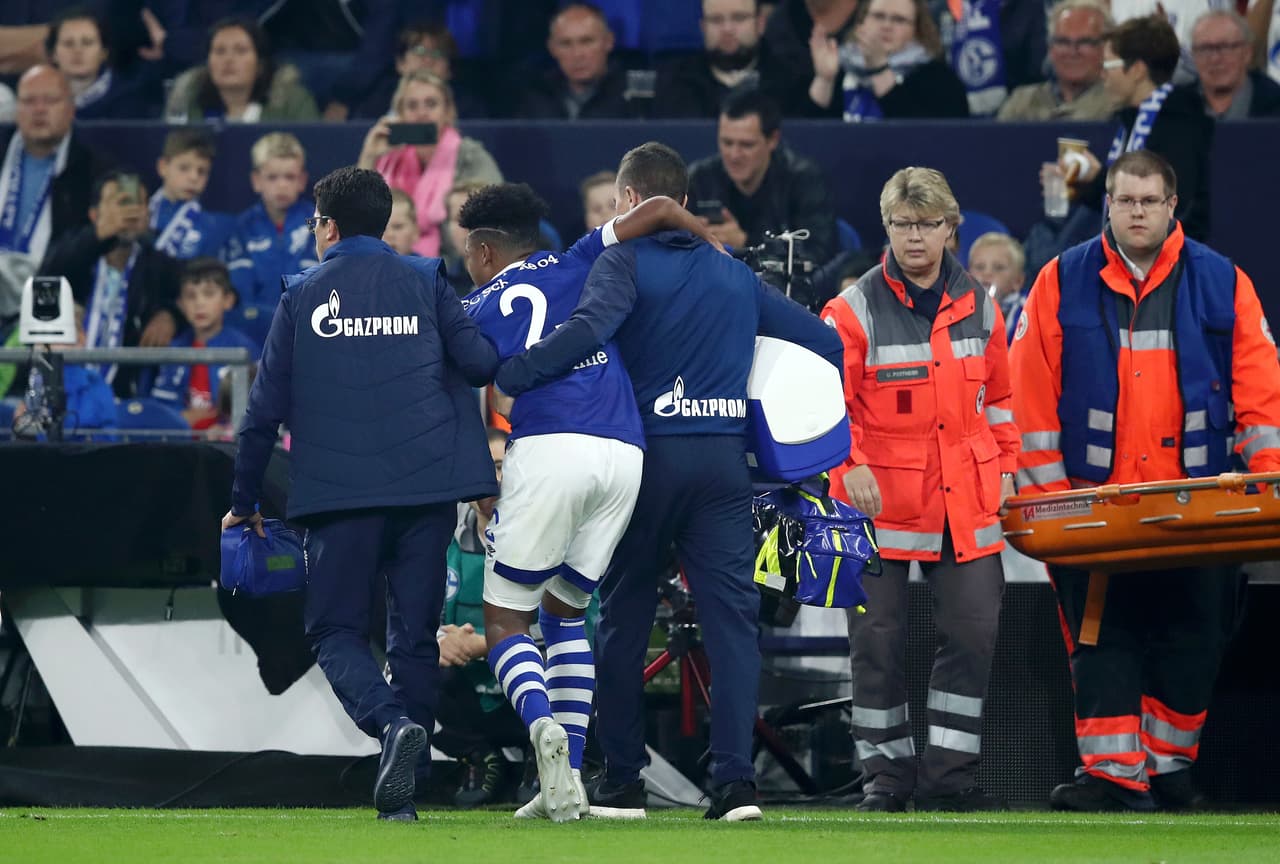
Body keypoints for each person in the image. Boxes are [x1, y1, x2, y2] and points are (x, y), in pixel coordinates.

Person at [496, 142, 843, 822]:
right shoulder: (734, 273)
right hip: (721, 465)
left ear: (630, 202)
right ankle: (737, 784)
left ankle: (624, 778)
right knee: (733, 627)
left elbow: (589, 328)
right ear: (681, 204)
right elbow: (825, 344)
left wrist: (516, 373)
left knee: (622, 621)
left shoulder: (619, 259)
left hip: (644, 461)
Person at [222, 165, 500, 822]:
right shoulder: (429, 280)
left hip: (339, 496)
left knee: (335, 630)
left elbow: (260, 415)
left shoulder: (300, 295)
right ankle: (408, 772)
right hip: (429, 488)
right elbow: (483, 364)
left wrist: (244, 499)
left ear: (329, 226)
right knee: (414, 635)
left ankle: (389, 728)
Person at [1009, 150, 1280, 812]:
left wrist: (1269, 483)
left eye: (1148, 201)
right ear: (1107, 205)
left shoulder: (1222, 283)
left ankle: (1167, 768)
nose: (1136, 212)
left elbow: (1260, 389)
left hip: (1197, 510)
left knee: (1193, 639)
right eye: (1125, 200)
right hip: (1095, 508)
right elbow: (1030, 392)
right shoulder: (1062, 280)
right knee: (1103, 640)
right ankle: (1111, 775)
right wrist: (1051, 506)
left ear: (1171, 207)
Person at [460, 180, 725, 822]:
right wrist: (713, 247)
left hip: (552, 448)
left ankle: (542, 726)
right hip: (625, 453)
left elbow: (471, 387)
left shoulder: (471, 308)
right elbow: (660, 209)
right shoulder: (580, 256)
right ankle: (569, 784)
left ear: (488, 252)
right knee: (566, 611)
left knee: (505, 620)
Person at [820, 166, 1018, 813]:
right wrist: (846, 466)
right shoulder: (851, 309)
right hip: (874, 504)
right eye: (903, 224)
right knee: (874, 644)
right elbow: (826, 405)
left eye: (927, 224)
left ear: (950, 229)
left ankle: (949, 779)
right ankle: (887, 778)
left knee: (972, 637)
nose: (915, 237)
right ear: (888, 229)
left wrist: (1008, 465)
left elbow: (1004, 399)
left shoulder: (982, 305)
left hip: (965, 501)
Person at [1060, 15, 1213, 241]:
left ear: (1137, 71)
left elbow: (1164, 200)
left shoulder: (1178, 123)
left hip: (1169, 263)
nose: (1103, 75)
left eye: (1108, 65)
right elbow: (1124, 203)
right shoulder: (1133, 119)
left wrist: (1102, 176)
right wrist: (1085, 182)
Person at [39, 169, 182, 397]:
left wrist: (170, 315)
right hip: (62, 392)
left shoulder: (160, 267)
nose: (132, 212)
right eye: (122, 202)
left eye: (139, 203)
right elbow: (47, 276)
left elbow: (193, 294)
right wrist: (99, 235)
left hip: (125, 400)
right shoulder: (73, 257)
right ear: (95, 215)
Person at [0, 64, 112, 320]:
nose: (39, 110)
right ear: (16, 109)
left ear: (71, 109)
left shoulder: (95, 171)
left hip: (56, 291)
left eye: (50, 100)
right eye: (29, 101)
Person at [357, 70, 503, 258]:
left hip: (455, 265)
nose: (422, 113)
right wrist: (369, 156)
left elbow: (495, 217)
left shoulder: (469, 156)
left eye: (431, 104)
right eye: (412, 106)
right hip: (385, 261)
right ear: (400, 113)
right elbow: (357, 216)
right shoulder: (388, 156)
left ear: (448, 112)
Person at [686, 89, 838, 267]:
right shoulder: (700, 179)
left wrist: (746, 244)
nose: (734, 155)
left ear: (772, 140)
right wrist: (691, 235)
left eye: (746, 145)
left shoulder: (803, 179)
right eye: (727, 143)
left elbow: (818, 253)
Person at [224, 132, 317, 350]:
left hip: (307, 336)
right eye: (273, 177)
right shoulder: (241, 228)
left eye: (290, 177)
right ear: (257, 181)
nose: (282, 186)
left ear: (302, 180)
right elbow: (240, 295)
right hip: (253, 339)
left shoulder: (319, 226)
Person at [805, 0, 970, 120]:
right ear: (861, 22)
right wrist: (824, 79)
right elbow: (807, 137)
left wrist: (879, 69)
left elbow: (925, 138)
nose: (887, 25)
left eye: (899, 19)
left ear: (917, 30)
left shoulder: (939, 79)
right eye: (878, 16)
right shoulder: (840, 66)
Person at [149, 257, 259, 430]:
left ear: (228, 300)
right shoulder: (174, 349)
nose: (199, 303)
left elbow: (256, 410)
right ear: (181, 305)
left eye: (208, 294)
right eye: (191, 296)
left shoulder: (244, 350)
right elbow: (162, 407)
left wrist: (226, 430)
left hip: (226, 447)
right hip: (181, 444)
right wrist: (180, 419)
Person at [164, 16, 319, 123]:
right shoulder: (187, 99)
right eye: (219, 51)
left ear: (260, 64)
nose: (228, 59)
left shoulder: (291, 102)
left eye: (240, 50)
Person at [655, 0, 787, 118]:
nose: (727, 29)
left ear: (760, 24)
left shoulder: (787, 80)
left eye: (739, 18)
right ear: (703, 27)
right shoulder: (675, 82)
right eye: (716, 20)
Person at [997, 0, 1117, 122]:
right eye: (1063, 42)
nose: (1073, 52)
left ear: (1107, 48)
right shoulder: (1022, 102)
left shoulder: (1117, 105)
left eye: (1084, 42)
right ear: (1050, 48)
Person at [345, 20, 488, 121]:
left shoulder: (469, 109)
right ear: (400, 63)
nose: (427, 60)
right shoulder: (377, 100)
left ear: (449, 69)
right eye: (419, 51)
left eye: (437, 53)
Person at [516, 3, 635, 120]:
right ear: (552, 49)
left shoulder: (634, 96)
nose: (577, 54)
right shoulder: (536, 95)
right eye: (565, 44)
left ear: (608, 42)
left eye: (587, 41)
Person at [45, 6, 161, 119]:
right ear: (54, 54)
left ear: (103, 52)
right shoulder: (37, 101)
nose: (77, 51)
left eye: (87, 43)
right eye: (68, 43)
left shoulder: (131, 101)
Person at [149, 128, 233, 261]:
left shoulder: (217, 226)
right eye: (184, 168)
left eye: (202, 171)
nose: (194, 177)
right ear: (163, 167)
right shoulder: (142, 215)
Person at [1183, 9, 1280, 118]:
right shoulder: (1172, 107)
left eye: (1225, 47)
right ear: (1193, 56)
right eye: (1205, 49)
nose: (1215, 59)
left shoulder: (1275, 103)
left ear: (1247, 53)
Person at [967, 231, 1027, 345]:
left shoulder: (1025, 311)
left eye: (999, 268)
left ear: (1018, 281)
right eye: (979, 267)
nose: (987, 273)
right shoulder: (956, 307)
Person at [382, 188, 421, 256]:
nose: (389, 235)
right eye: (381, 228)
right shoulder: (360, 265)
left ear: (415, 232)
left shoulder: (427, 266)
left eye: (397, 227)